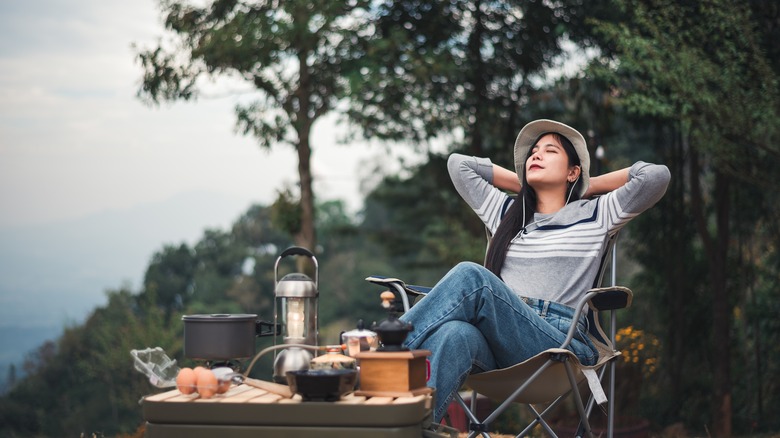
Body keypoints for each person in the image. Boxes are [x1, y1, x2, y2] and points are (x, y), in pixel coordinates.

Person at [399, 119, 671, 422]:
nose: (536, 156)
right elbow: (458, 165)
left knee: (471, 276)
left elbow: (655, 176)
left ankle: (384, 351)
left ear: (573, 171)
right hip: (500, 340)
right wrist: (525, 185)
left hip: (559, 346)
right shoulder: (507, 214)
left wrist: (585, 186)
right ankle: (411, 427)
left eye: (550, 151)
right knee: (454, 333)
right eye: (533, 152)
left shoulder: (597, 213)